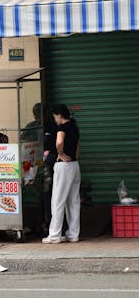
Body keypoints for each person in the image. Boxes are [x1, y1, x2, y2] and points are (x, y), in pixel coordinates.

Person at [42, 104, 81, 244]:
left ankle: (54, 235)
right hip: (75, 166)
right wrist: (73, 158)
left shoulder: (62, 128)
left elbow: (59, 142)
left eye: (55, 117)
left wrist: (61, 154)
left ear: (59, 115)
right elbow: (77, 149)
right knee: (73, 201)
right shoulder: (75, 127)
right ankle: (73, 234)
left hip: (63, 167)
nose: (55, 119)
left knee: (58, 200)